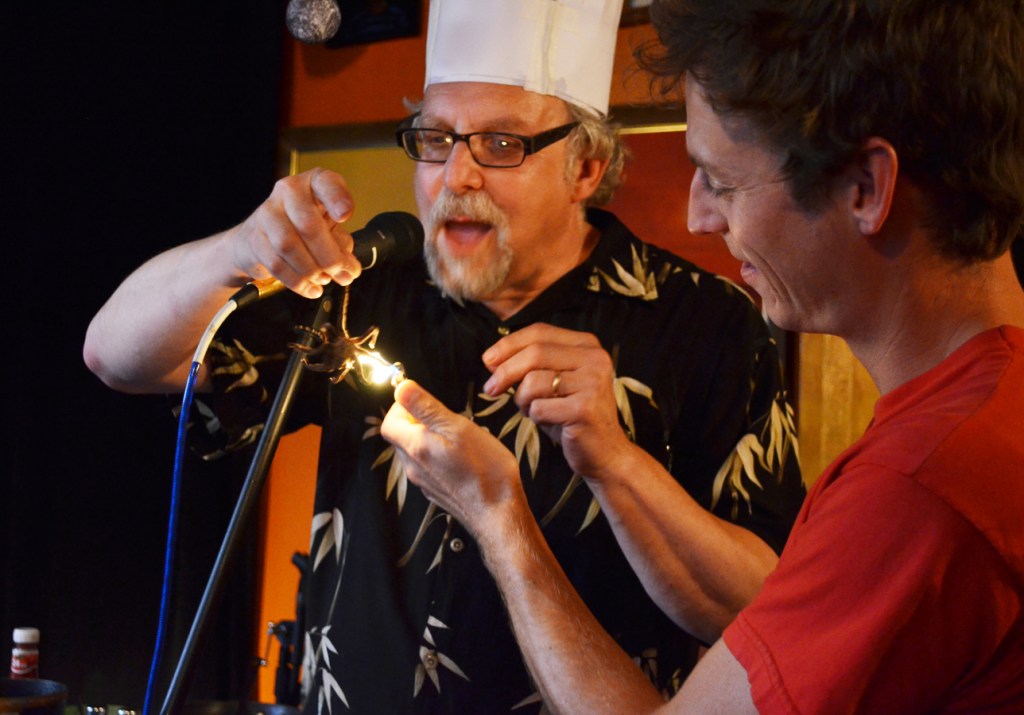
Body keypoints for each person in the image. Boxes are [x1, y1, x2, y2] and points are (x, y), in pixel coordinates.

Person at [83, 0, 806, 711]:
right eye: (435, 139)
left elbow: (762, 615)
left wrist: (616, 461)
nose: (455, 177)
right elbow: (116, 354)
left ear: (585, 166)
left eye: (500, 144)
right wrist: (240, 249)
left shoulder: (706, 322)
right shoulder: (366, 287)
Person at [379, 0, 1024, 712]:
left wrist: (500, 516)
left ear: (866, 188)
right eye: (438, 141)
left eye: (722, 180)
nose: (699, 217)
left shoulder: (919, 488)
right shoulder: (981, 414)